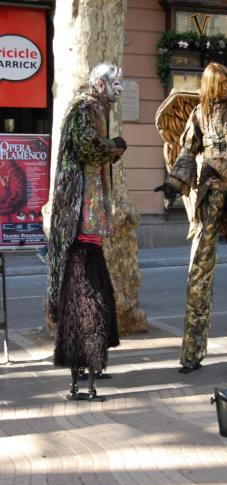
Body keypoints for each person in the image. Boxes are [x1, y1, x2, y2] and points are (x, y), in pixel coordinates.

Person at [155, 62, 227, 375]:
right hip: (208, 192)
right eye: (213, 83)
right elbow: (188, 151)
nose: (219, 88)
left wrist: (221, 163)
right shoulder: (198, 112)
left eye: (222, 82)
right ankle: (191, 353)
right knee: (198, 269)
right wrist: (174, 182)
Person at [48, 63, 127, 400]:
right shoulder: (86, 107)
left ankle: (87, 361)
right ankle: (83, 362)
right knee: (85, 291)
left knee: (89, 287)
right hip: (80, 214)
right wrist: (116, 145)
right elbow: (88, 148)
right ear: (100, 84)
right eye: (115, 82)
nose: (119, 88)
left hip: (86, 214)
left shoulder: (93, 107)